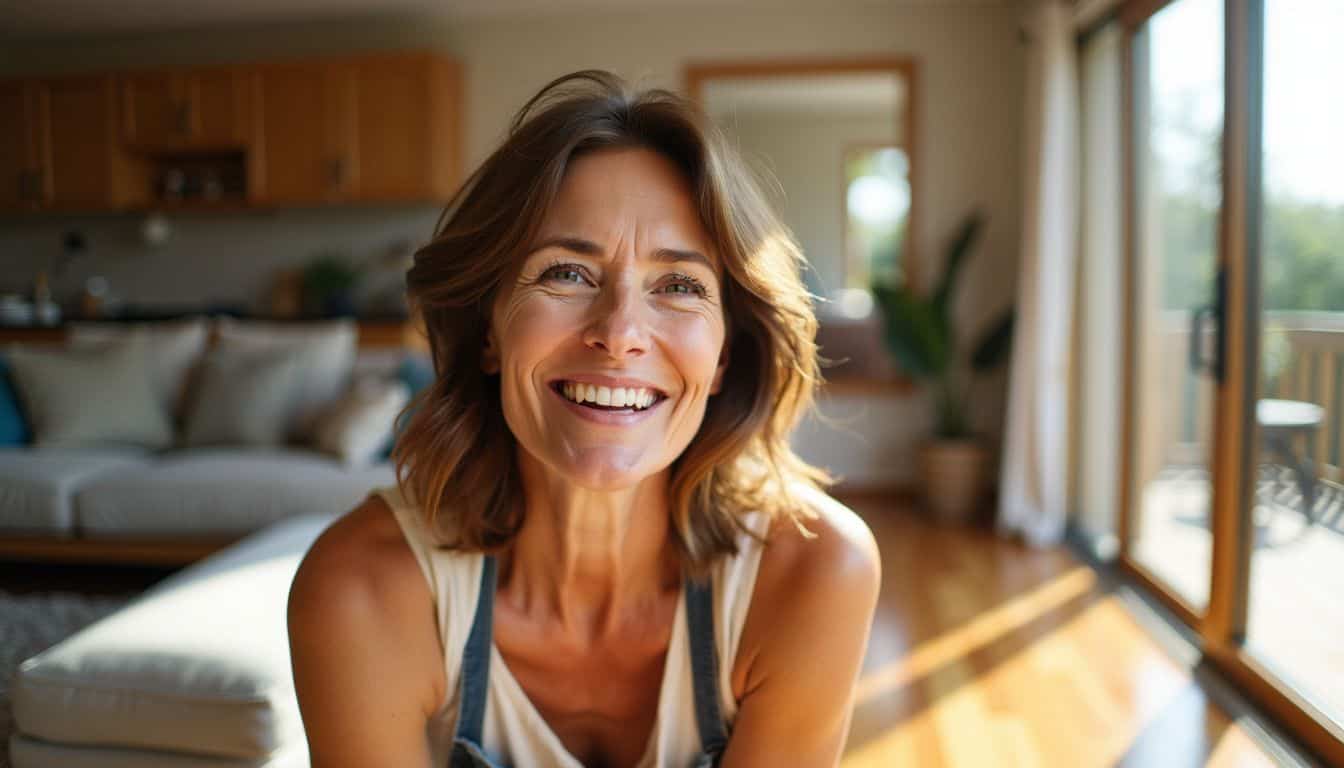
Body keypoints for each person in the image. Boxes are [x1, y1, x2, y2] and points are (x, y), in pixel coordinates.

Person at [287, 70, 881, 768]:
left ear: (723, 357)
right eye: (566, 273)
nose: (621, 331)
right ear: (488, 331)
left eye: (680, 285)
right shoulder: (361, 590)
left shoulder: (814, 572)